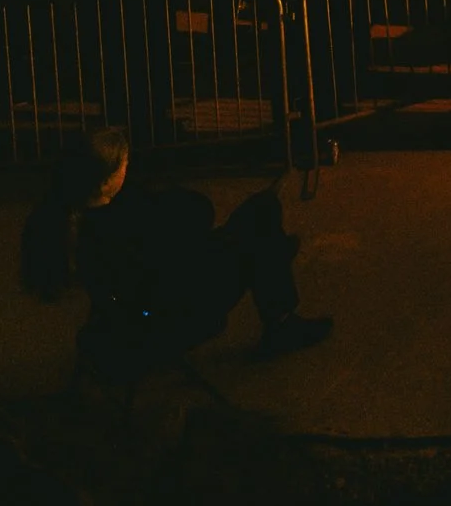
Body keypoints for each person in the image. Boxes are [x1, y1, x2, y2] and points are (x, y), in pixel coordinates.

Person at [20, 129, 331, 371]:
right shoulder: (126, 219)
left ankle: (272, 256)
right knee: (262, 213)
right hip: (174, 315)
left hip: (140, 309)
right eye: (124, 164)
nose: (128, 168)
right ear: (106, 181)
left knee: (255, 229)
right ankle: (280, 315)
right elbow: (198, 215)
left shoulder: (78, 220)